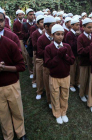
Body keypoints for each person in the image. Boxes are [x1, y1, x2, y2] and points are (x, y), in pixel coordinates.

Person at [0, 12, 28, 140]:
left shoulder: (10, 39)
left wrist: (4, 68)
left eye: (0, 20)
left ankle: (20, 133)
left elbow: (21, 65)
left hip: (11, 83)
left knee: (16, 109)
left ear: (4, 22)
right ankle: (8, 135)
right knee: (2, 113)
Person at [44, 24, 75, 124]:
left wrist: (64, 55)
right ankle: (57, 113)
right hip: (54, 77)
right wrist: (58, 56)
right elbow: (48, 64)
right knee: (55, 95)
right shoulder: (49, 48)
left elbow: (72, 60)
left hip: (66, 76)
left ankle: (63, 112)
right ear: (53, 35)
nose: (60, 36)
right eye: (58, 34)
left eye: (62, 34)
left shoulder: (67, 47)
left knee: (65, 95)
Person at [37, 16, 55, 105]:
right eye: (52, 25)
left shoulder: (57, 36)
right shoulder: (41, 39)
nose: (54, 27)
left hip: (56, 66)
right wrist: (49, 48)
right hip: (47, 66)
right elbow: (39, 53)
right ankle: (49, 101)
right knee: (48, 85)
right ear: (46, 27)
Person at [77, 18, 92, 102]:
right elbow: (80, 51)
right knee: (83, 79)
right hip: (84, 62)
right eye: (89, 27)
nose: (91, 29)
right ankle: (81, 94)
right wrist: (90, 47)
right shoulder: (80, 37)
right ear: (83, 27)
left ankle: (87, 92)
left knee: (89, 79)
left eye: (91, 27)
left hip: (91, 61)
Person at [32, 15, 45, 99]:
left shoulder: (50, 33)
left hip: (48, 57)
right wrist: (42, 37)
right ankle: (39, 91)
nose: (43, 24)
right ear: (37, 24)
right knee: (39, 74)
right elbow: (34, 46)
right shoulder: (35, 33)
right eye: (41, 22)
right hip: (40, 56)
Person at [66, 18, 81, 92]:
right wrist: (77, 38)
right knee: (72, 70)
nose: (78, 26)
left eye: (79, 25)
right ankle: (71, 84)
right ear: (72, 26)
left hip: (78, 54)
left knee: (78, 69)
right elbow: (71, 46)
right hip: (72, 55)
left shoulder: (78, 34)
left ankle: (77, 82)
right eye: (76, 25)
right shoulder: (69, 34)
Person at [21, 8, 35, 79]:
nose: (32, 16)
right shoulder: (24, 24)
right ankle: (31, 71)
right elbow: (23, 35)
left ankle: (35, 71)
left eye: (33, 14)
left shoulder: (36, 23)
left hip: (34, 44)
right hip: (28, 43)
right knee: (28, 57)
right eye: (30, 14)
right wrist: (30, 33)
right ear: (27, 15)